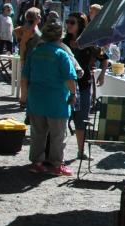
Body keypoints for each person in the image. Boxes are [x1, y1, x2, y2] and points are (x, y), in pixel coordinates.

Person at [23, 19, 77, 176]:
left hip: (36, 100)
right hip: (57, 101)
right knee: (58, 135)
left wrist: (24, 97)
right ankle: (56, 164)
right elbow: (69, 78)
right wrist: (73, 94)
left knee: (38, 133)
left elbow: (25, 76)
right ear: (60, 36)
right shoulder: (61, 54)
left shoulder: (35, 52)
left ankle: (37, 163)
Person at [64, 13, 100, 160]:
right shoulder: (63, 42)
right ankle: (59, 154)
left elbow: (102, 57)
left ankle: (81, 151)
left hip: (83, 86)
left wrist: (101, 72)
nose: (68, 25)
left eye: (72, 22)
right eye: (67, 22)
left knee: (81, 119)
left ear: (80, 25)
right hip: (65, 87)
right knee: (62, 119)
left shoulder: (88, 43)